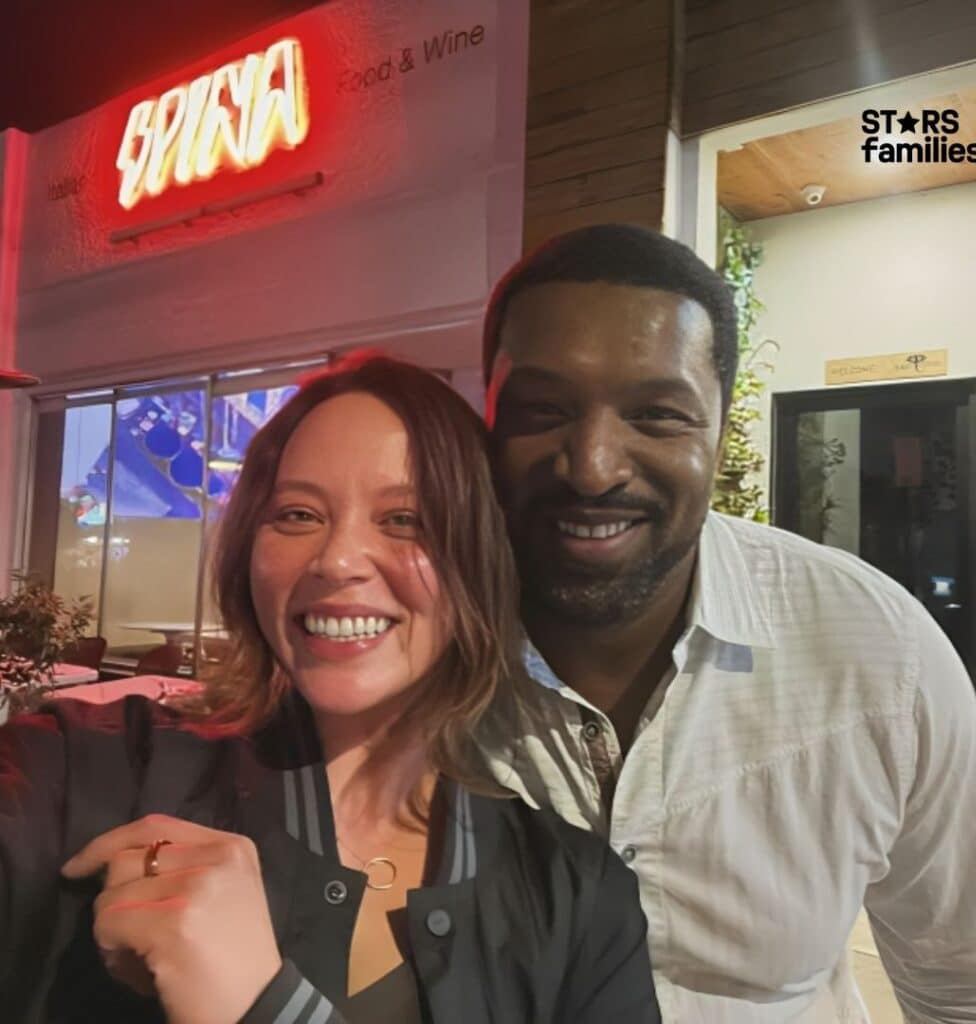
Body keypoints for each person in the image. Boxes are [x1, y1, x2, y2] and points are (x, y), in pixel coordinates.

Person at [0, 353, 662, 1024]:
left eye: (406, 520)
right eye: (296, 514)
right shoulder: (83, 773)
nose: (336, 559)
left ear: (482, 561)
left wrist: (268, 1009)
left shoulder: (576, 901)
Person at [476, 223, 976, 1023]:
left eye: (657, 415)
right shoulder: (414, 652)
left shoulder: (877, 653)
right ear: (487, 421)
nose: (593, 465)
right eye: (543, 409)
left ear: (722, 428)